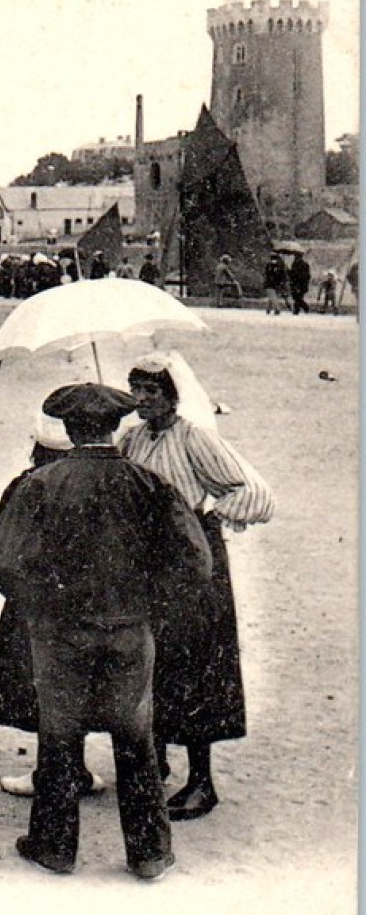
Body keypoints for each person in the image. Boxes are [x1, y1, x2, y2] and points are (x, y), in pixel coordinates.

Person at [0, 383, 211, 880]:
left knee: (59, 736)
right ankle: (149, 853)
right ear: (115, 427)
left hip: (60, 633)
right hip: (130, 630)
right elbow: (196, 562)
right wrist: (152, 607)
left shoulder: (40, 483)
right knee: (136, 738)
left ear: (67, 428)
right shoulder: (149, 484)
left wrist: (40, 607)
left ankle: (54, 847)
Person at [121, 352, 274, 821]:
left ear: (173, 395)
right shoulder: (132, 439)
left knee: (197, 662)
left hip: (193, 564)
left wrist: (204, 519)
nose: (143, 400)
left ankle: (202, 781)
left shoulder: (195, 439)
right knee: (152, 661)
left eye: (152, 391)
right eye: (137, 391)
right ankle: (158, 763)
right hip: (149, 562)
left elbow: (252, 490)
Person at [0, 413, 108, 797]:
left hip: (36, 602)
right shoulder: (95, 484)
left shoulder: (26, 485)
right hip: (87, 601)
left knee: (44, 687)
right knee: (82, 684)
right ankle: (77, 768)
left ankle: (51, 772)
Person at [287, 249, 312, 314]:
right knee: (297, 297)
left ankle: (302, 308)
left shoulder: (301, 265)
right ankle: (299, 309)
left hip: (299, 283)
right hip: (299, 283)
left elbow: (296, 274)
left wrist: (290, 272)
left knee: (297, 297)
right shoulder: (299, 264)